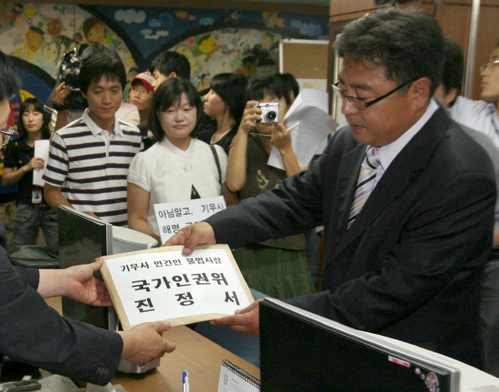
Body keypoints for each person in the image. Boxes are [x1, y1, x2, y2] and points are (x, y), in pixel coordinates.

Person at [168, 9, 496, 368]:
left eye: (363, 96)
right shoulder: (349, 142)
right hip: (346, 346)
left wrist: (286, 314)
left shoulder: (460, 174)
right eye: (344, 90)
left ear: (418, 92)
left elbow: (398, 287)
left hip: (410, 362)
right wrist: (215, 227)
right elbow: (293, 201)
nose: (348, 108)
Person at [0, 26, 174, 391]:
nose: (2, 149)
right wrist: (126, 345)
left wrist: (61, 280)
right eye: (2, 132)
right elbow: (33, 332)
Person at [434, 36, 499, 377]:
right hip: (452, 259)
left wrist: (461, 234)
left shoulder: (478, 143)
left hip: (487, 259)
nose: (486, 71)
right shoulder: (477, 117)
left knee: (486, 350)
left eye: (495, 63)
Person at [223, 75, 315, 300]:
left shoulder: (304, 142)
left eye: (273, 102)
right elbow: (235, 184)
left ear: (289, 105)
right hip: (250, 244)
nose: (267, 111)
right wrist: (243, 132)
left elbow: (305, 193)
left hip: (291, 247)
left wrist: (285, 149)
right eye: (259, 104)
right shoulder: (245, 141)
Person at [43, 44, 143, 225]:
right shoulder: (64, 138)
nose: (107, 100)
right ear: (84, 92)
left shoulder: (134, 137)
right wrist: (78, 217)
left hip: (127, 237)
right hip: (83, 240)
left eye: (114, 90)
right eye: (98, 91)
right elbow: (51, 191)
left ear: (123, 90)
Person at [127, 78, 227, 244]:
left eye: (187, 109)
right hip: (167, 258)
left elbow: (229, 204)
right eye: (170, 110)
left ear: (197, 110)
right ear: (158, 115)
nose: (179, 117)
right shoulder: (145, 161)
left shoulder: (216, 154)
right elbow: (136, 219)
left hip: (212, 254)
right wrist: (162, 245)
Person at [2, 98, 58, 253]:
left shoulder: (54, 143)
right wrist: (26, 168)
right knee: (21, 252)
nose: (31, 118)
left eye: (36, 113)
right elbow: (5, 180)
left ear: (43, 117)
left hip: (51, 205)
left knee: (60, 251)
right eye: (26, 114)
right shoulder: (15, 146)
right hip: (26, 205)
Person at [202, 72, 248, 154]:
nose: (205, 97)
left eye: (213, 93)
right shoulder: (204, 133)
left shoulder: (237, 139)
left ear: (228, 100)